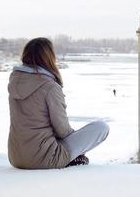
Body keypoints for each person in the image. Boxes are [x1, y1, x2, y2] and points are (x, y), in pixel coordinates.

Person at [7, 38, 109, 169]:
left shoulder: (14, 82)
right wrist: (77, 146)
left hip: (16, 157)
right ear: (48, 57)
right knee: (101, 127)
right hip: (44, 158)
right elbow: (62, 131)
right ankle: (69, 158)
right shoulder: (49, 86)